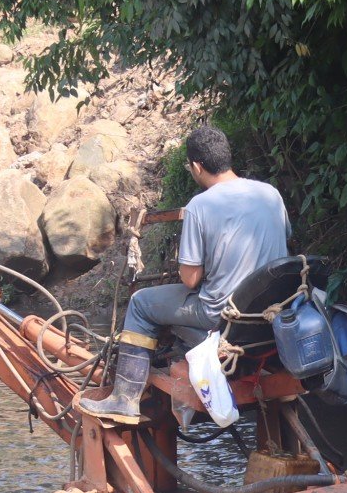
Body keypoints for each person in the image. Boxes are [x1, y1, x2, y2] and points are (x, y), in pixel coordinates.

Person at [79, 124, 290, 424]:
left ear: (196, 166)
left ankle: (124, 400)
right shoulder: (271, 195)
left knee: (141, 304)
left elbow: (190, 279)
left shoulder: (199, 207)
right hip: (267, 319)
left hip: (221, 316)